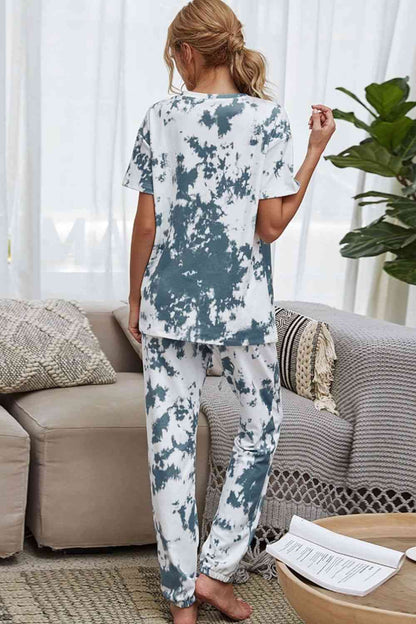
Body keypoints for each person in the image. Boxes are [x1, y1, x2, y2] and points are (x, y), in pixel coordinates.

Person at [122, 1, 335, 622]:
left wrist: (135, 296)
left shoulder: (161, 116)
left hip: (168, 304)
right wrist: (314, 151)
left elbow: (145, 224)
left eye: (175, 57)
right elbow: (271, 226)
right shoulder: (267, 120)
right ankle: (214, 572)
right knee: (262, 426)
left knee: (169, 446)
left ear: (188, 52)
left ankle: (180, 598)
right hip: (242, 308)